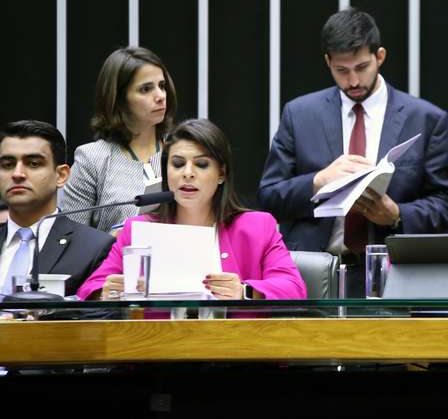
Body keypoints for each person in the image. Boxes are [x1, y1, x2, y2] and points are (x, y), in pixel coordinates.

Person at [257, 8, 448, 298]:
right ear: (328, 62)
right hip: (313, 272)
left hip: (393, 274)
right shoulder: (300, 114)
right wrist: (318, 181)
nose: (353, 81)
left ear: (380, 56)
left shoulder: (426, 119)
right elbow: (268, 196)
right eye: (342, 70)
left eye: (361, 67)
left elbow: (446, 204)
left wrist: (397, 215)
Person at [77, 119, 306, 300]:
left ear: (222, 173)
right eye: (177, 164)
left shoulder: (257, 226)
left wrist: (244, 291)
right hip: (154, 349)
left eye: (201, 164)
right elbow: (90, 288)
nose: (188, 173)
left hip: (236, 351)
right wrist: (106, 293)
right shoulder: (138, 229)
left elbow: (294, 288)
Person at [61, 46, 178, 233]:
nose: (160, 96)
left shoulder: (182, 151)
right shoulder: (92, 159)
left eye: (162, 86)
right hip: (116, 260)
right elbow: (68, 240)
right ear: (119, 99)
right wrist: (115, 239)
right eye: (146, 89)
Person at [0, 120, 114, 297]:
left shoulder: (94, 248)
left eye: (34, 164)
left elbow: (98, 316)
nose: (17, 174)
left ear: (61, 176)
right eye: (7, 165)